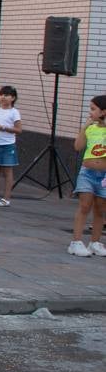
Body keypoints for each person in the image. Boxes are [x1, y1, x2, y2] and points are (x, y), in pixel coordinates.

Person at [68, 94, 106, 257]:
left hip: (104, 176)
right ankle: (75, 242)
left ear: (103, 111)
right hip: (87, 173)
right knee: (84, 205)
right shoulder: (90, 128)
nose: (90, 112)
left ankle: (95, 242)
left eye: (93, 109)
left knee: (100, 209)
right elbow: (78, 146)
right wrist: (84, 127)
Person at [0, 85, 21, 206]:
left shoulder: (14, 112)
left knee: (8, 171)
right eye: (1, 94)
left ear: (13, 98)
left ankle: (6, 198)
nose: (3, 97)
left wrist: (4, 128)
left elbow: (19, 129)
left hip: (8, 145)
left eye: (6, 95)